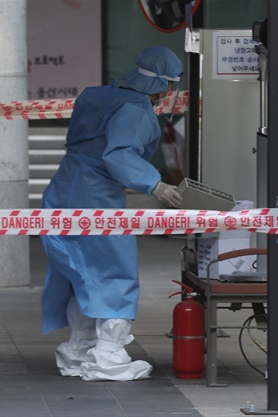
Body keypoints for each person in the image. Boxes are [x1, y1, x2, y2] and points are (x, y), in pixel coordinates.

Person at [40, 47, 183, 381]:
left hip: (64, 188)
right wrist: (155, 185)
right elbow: (118, 155)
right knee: (114, 272)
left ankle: (79, 349)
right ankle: (108, 355)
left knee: (78, 271)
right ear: (163, 87)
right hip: (96, 197)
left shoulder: (97, 95)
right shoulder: (135, 109)